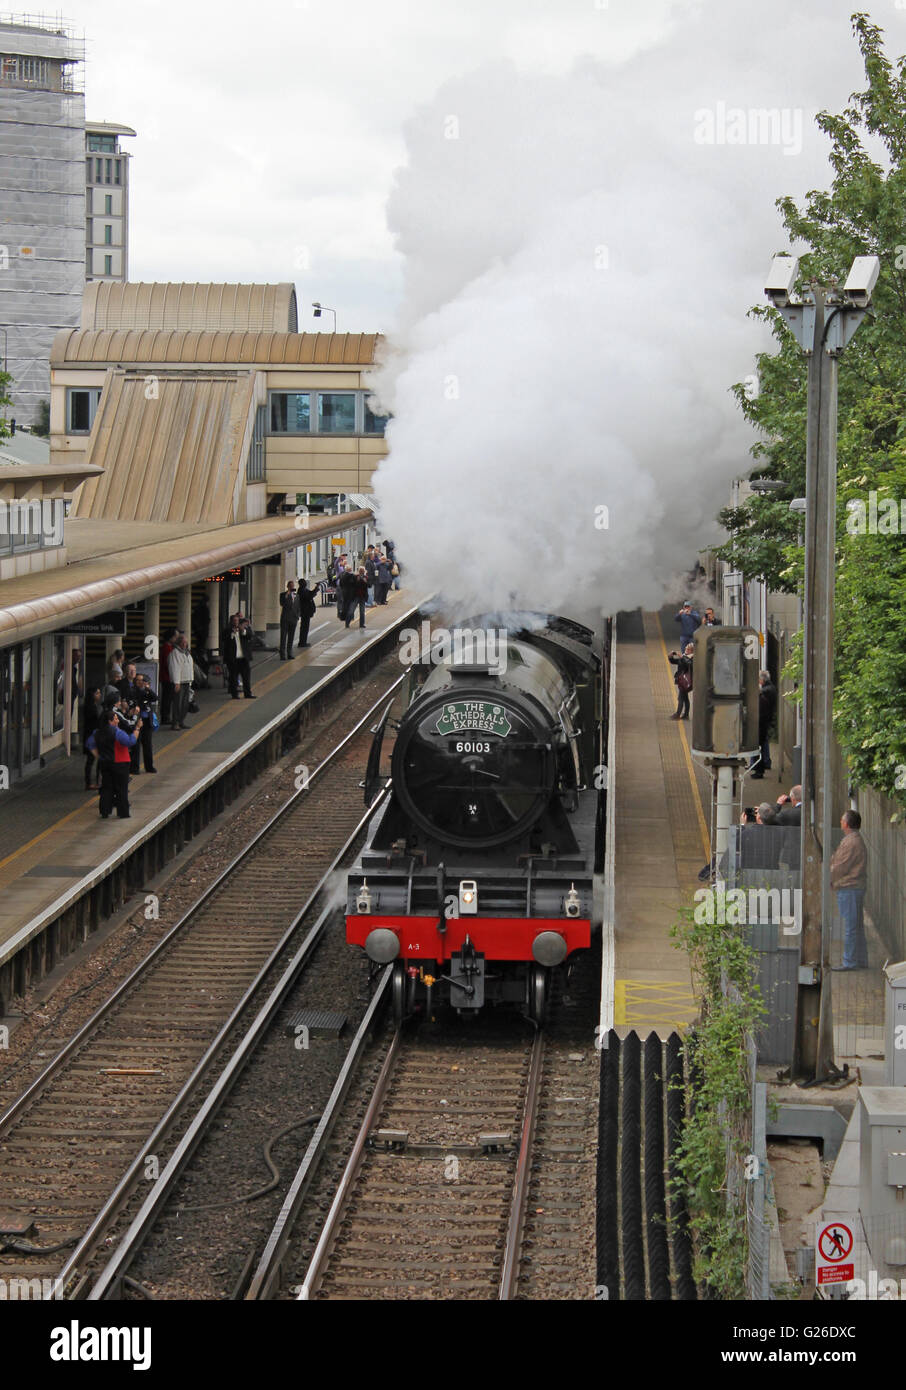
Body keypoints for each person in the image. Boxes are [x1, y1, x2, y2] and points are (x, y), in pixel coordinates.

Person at [830, 809, 869, 970]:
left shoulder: (850, 842)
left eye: (841, 820)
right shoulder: (855, 840)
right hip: (854, 887)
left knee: (850, 927)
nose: (840, 823)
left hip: (849, 887)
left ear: (846, 823)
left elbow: (840, 866)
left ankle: (850, 961)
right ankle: (860, 959)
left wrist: (830, 878)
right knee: (856, 926)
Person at [86, 708, 141, 819]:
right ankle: (123, 812)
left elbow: (89, 744)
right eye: (115, 719)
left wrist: (99, 756)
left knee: (106, 788)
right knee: (121, 788)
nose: (118, 721)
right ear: (110, 721)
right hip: (120, 763)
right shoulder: (117, 732)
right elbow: (130, 741)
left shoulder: (97, 732)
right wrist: (137, 729)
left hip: (105, 763)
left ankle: (105, 811)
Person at [750, 670, 777, 779]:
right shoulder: (771, 689)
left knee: (759, 746)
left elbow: (761, 713)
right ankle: (761, 764)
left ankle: (759, 768)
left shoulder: (765, 693)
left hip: (761, 725)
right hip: (764, 723)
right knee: (762, 744)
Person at [222, 613, 255, 699]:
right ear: (231, 622)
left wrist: (242, 630)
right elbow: (224, 639)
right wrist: (233, 633)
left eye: (237, 620)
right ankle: (234, 694)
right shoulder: (227, 630)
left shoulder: (244, 629)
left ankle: (248, 693)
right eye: (234, 621)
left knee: (246, 677)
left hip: (243, 658)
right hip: (233, 659)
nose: (236, 622)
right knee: (233, 677)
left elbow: (250, 635)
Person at [169, 632, 194, 728]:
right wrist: (176, 682)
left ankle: (181, 721)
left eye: (186, 643)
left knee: (185, 703)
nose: (184, 644)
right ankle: (175, 722)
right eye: (183, 642)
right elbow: (175, 668)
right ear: (179, 643)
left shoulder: (187, 653)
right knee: (178, 703)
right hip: (179, 682)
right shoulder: (175, 653)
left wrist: (191, 680)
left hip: (187, 681)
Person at [134, 673, 158, 773]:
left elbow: (155, 698)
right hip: (138, 721)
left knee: (147, 745)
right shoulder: (134, 691)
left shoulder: (146, 691)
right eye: (138, 680)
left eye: (142, 680)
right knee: (136, 745)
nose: (141, 682)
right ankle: (135, 768)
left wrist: (148, 689)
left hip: (147, 721)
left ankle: (149, 766)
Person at [82, 687, 103, 790]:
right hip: (92, 737)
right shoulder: (91, 708)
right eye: (97, 693)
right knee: (92, 759)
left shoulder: (94, 706)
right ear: (92, 695)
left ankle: (92, 781)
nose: (99, 695)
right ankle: (90, 782)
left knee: (92, 760)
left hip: (92, 735)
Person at [668, 642, 694, 719]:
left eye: (688, 649)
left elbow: (689, 664)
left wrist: (682, 657)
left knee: (681, 698)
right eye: (686, 648)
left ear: (691, 651)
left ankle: (677, 714)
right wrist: (670, 657)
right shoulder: (685, 657)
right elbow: (676, 662)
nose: (686, 649)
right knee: (685, 698)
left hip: (686, 681)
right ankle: (686, 715)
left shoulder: (692, 658)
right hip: (681, 680)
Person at [160, 628, 178, 726]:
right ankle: (165, 717)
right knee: (167, 698)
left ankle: (166, 716)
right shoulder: (167, 648)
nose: (176, 639)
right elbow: (168, 663)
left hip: (167, 676)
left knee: (167, 697)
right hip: (167, 677)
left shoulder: (168, 647)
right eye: (175, 637)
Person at [279, 581, 299, 659]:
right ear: (287, 586)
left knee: (291, 637)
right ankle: (282, 654)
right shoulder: (283, 595)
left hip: (293, 619)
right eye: (290, 586)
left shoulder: (297, 596)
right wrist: (287, 594)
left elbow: (298, 607)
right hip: (285, 619)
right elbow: (282, 603)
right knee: (283, 637)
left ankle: (289, 653)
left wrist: (297, 616)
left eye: (292, 586)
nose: (291, 587)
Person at [297, 579, 317, 649]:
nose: (305, 583)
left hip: (306, 611)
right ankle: (302, 642)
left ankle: (303, 642)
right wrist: (316, 589)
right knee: (304, 627)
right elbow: (309, 596)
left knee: (305, 627)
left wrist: (316, 589)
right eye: (304, 582)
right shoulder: (302, 590)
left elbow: (310, 594)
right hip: (305, 611)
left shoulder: (303, 590)